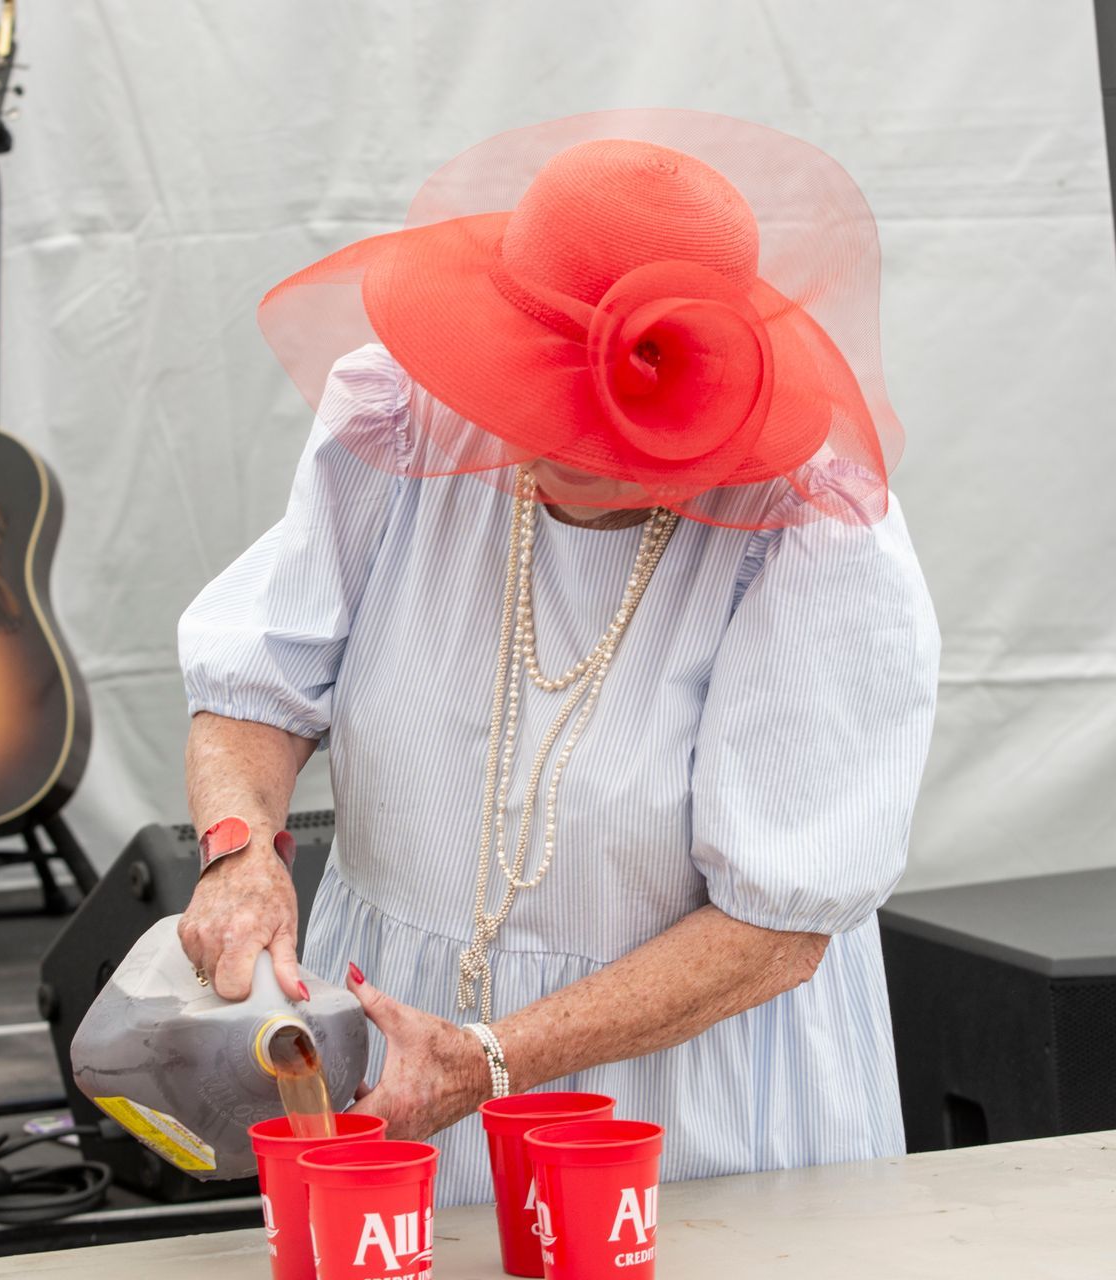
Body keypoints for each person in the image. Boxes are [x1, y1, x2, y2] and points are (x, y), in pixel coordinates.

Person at [174, 110, 939, 1206]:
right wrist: (240, 851)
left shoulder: (812, 531)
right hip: (396, 1056)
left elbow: (776, 930)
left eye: (603, 415)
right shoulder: (407, 418)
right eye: (538, 394)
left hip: (691, 1095)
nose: (562, 438)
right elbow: (259, 677)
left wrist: (492, 1056)